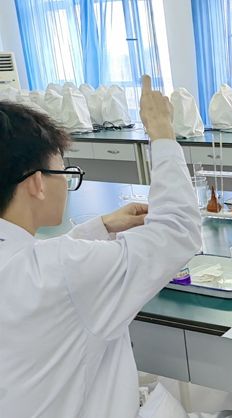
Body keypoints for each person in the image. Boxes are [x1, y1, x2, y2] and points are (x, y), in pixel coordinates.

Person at [0, 77, 203, 417]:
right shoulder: (64, 268)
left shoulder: (34, 265)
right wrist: (163, 134)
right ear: (36, 183)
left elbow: (42, 268)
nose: (66, 180)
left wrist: (101, 228)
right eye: (63, 170)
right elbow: (178, 230)